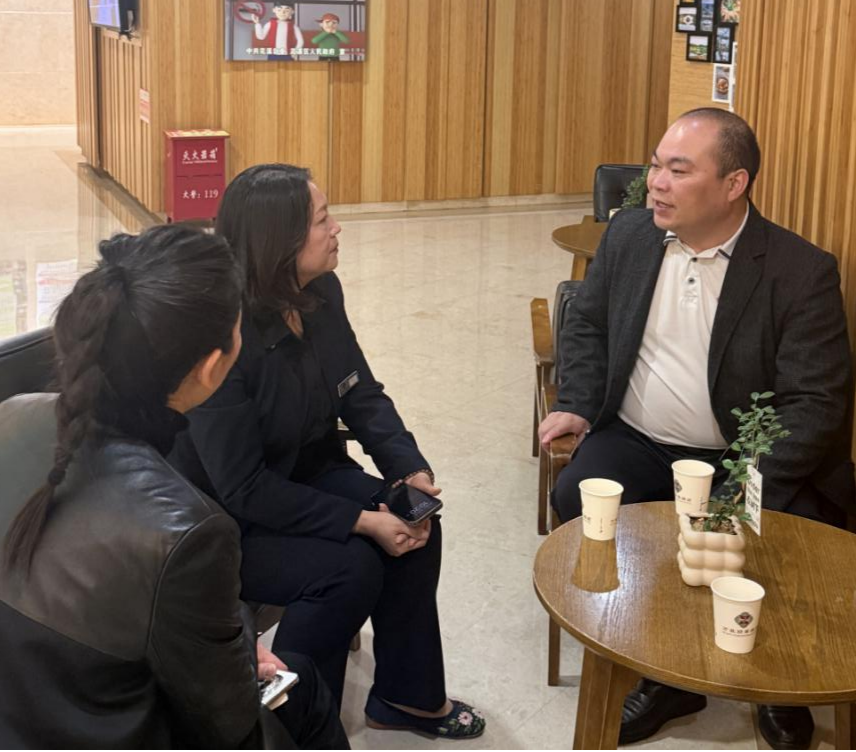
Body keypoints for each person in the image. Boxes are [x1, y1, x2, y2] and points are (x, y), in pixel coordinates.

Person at [539, 108, 854, 750]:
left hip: (740, 455)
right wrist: (577, 401)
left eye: (678, 171)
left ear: (734, 184)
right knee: (578, 495)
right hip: (639, 440)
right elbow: (588, 323)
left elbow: (814, 400)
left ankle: (776, 680)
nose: (656, 182)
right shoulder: (630, 235)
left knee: (784, 538)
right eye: (656, 165)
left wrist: (740, 488)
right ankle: (664, 675)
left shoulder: (799, 270)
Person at [0, 225, 348, 750]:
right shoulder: (187, 531)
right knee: (305, 696)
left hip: (25, 706)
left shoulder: (12, 415)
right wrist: (235, 644)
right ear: (211, 368)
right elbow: (228, 723)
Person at [170, 164, 485, 739]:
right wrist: (360, 521)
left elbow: (359, 390)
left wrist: (408, 469)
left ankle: (406, 698)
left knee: (416, 526)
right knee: (349, 570)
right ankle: (294, 727)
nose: (337, 228)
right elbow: (243, 488)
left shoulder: (319, 292)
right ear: (281, 240)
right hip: (227, 515)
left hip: (306, 470)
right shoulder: (224, 334)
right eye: (323, 220)